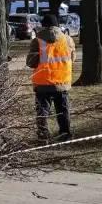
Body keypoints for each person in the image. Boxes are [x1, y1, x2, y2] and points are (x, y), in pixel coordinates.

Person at [27, 12, 74, 143]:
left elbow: (31, 62)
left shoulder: (37, 41)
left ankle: (43, 136)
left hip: (42, 83)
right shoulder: (68, 39)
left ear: (43, 25)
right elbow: (72, 58)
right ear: (57, 25)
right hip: (62, 82)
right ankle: (66, 134)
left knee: (42, 112)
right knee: (63, 110)